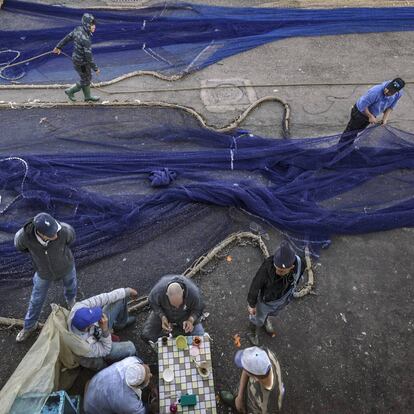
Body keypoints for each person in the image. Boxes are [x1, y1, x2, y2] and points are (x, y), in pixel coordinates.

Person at [15, 212, 77, 342]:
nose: (55, 236)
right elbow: (19, 246)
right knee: (36, 300)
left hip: (66, 267)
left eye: (56, 232)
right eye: (51, 235)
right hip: (43, 273)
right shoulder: (24, 237)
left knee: (71, 285)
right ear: (40, 233)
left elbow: (71, 239)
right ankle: (30, 326)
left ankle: (71, 301)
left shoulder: (64, 230)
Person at [247, 240, 305, 345]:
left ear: (291, 267)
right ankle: (252, 332)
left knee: (272, 313)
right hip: (266, 301)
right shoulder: (267, 267)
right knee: (257, 317)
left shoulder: (300, 263)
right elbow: (255, 284)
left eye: (282, 271)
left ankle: (264, 321)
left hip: (283, 298)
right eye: (276, 267)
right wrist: (251, 304)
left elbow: (299, 276)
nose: (277, 272)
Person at [68, 287, 138, 370]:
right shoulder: (83, 346)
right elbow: (106, 350)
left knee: (120, 298)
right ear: (87, 328)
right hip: (98, 348)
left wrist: (127, 291)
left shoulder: (78, 308)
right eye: (95, 318)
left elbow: (101, 298)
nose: (100, 315)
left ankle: (119, 325)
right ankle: (131, 364)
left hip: (97, 330)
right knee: (131, 347)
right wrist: (105, 330)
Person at [339, 78, 405, 148]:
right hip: (359, 113)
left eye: (391, 92)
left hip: (371, 115)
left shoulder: (398, 94)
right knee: (350, 132)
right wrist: (370, 116)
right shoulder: (375, 91)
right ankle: (340, 149)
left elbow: (390, 107)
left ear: (397, 91)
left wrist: (385, 119)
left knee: (358, 131)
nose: (387, 91)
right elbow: (363, 105)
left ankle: (348, 146)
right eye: (388, 88)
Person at [141, 275, 205, 347]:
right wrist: (162, 316)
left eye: (179, 304)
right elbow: (152, 302)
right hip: (165, 312)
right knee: (146, 335)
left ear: (183, 292)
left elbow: (198, 308)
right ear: (166, 294)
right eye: (174, 305)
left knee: (200, 335)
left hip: (185, 314)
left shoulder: (194, 293)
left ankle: (180, 331)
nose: (177, 307)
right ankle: (161, 344)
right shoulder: (158, 291)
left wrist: (191, 320)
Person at [220, 346, 284, 413]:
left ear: (254, 378)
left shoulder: (266, 405)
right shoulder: (267, 354)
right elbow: (248, 370)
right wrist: (240, 397)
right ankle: (237, 403)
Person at [53, 13, 100, 102]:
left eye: (94, 24)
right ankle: (70, 91)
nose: (94, 27)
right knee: (85, 79)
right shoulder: (86, 40)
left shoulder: (78, 29)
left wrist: (58, 47)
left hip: (76, 59)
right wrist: (96, 68)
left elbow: (67, 38)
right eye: (91, 24)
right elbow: (89, 57)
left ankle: (87, 96)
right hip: (82, 63)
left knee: (86, 78)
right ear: (86, 24)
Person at [83, 356, 152, 414]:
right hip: (92, 407)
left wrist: (149, 383)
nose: (151, 375)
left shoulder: (132, 360)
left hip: (94, 384)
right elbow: (141, 412)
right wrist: (152, 407)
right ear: (138, 386)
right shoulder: (127, 401)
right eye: (148, 378)